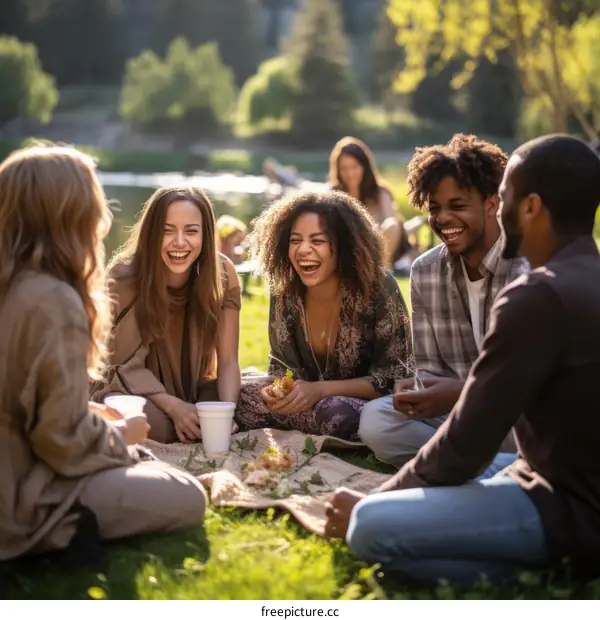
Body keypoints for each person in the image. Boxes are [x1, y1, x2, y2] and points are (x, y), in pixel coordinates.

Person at [324, 134, 600, 587]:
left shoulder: (537, 295)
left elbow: (464, 447)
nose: (500, 208)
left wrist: (376, 501)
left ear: (529, 206)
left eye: (504, 197)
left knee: (371, 527)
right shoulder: (581, 279)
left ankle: (538, 572)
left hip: (567, 509)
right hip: (539, 474)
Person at [0, 144, 207, 562]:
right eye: (94, 199)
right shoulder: (51, 300)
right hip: (19, 496)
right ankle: (58, 532)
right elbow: (59, 439)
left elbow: (28, 406)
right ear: (69, 213)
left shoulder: (16, 284)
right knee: (188, 494)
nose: (102, 214)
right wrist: (122, 435)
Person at [359, 134, 526, 468]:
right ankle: (491, 469)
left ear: (491, 203)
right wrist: (419, 388)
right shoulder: (425, 271)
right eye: (435, 208)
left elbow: (531, 384)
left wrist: (461, 392)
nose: (443, 219)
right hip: (460, 419)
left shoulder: (526, 270)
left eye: (458, 206)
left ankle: (472, 467)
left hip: (521, 416)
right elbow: (431, 366)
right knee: (376, 420)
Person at [235, 191, 412, 441]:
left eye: (317, 241)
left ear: (344, 245)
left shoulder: (379, 286)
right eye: (295, 241)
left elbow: (393, 378)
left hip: (353, 405)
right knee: (239, 396)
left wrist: (320, 390)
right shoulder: (285, 289)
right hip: (307, 401)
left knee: (338, 414)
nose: (303, 250)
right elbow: (282, 366)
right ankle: (296, 420)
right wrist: (276, 391)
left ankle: (298, 423)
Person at [91, 186, 242, 444]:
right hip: (130, 388)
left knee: (243, 405)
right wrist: (173, 407)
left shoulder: (223, 273)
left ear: (205, 235)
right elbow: (121, 367)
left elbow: (228, 361)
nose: (180, 242)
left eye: (191, 231)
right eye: (167, 230)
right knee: (155, 427)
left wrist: (225, 415)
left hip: (192, 385)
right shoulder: (124, 277)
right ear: (151, 233)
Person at [329, 136, 415, 269]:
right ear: (338, 170)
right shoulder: (333, 194)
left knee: (392, 224)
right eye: (344, 168)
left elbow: (392, 225)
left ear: (364, 167)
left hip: (379, 249)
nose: (349, 173)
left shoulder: (381, 192)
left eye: (354, 167)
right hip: (349, 250)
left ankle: (379, 271)